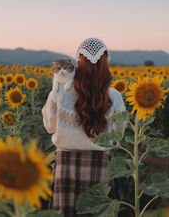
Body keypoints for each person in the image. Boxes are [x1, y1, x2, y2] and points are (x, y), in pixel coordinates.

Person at [42, 38, 127, 216]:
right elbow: (119, 132)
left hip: (66, 166)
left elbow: (49, 126)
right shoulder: (114, 96)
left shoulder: (59, 93)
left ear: (79, 61)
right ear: (105, 63)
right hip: (101, 166)